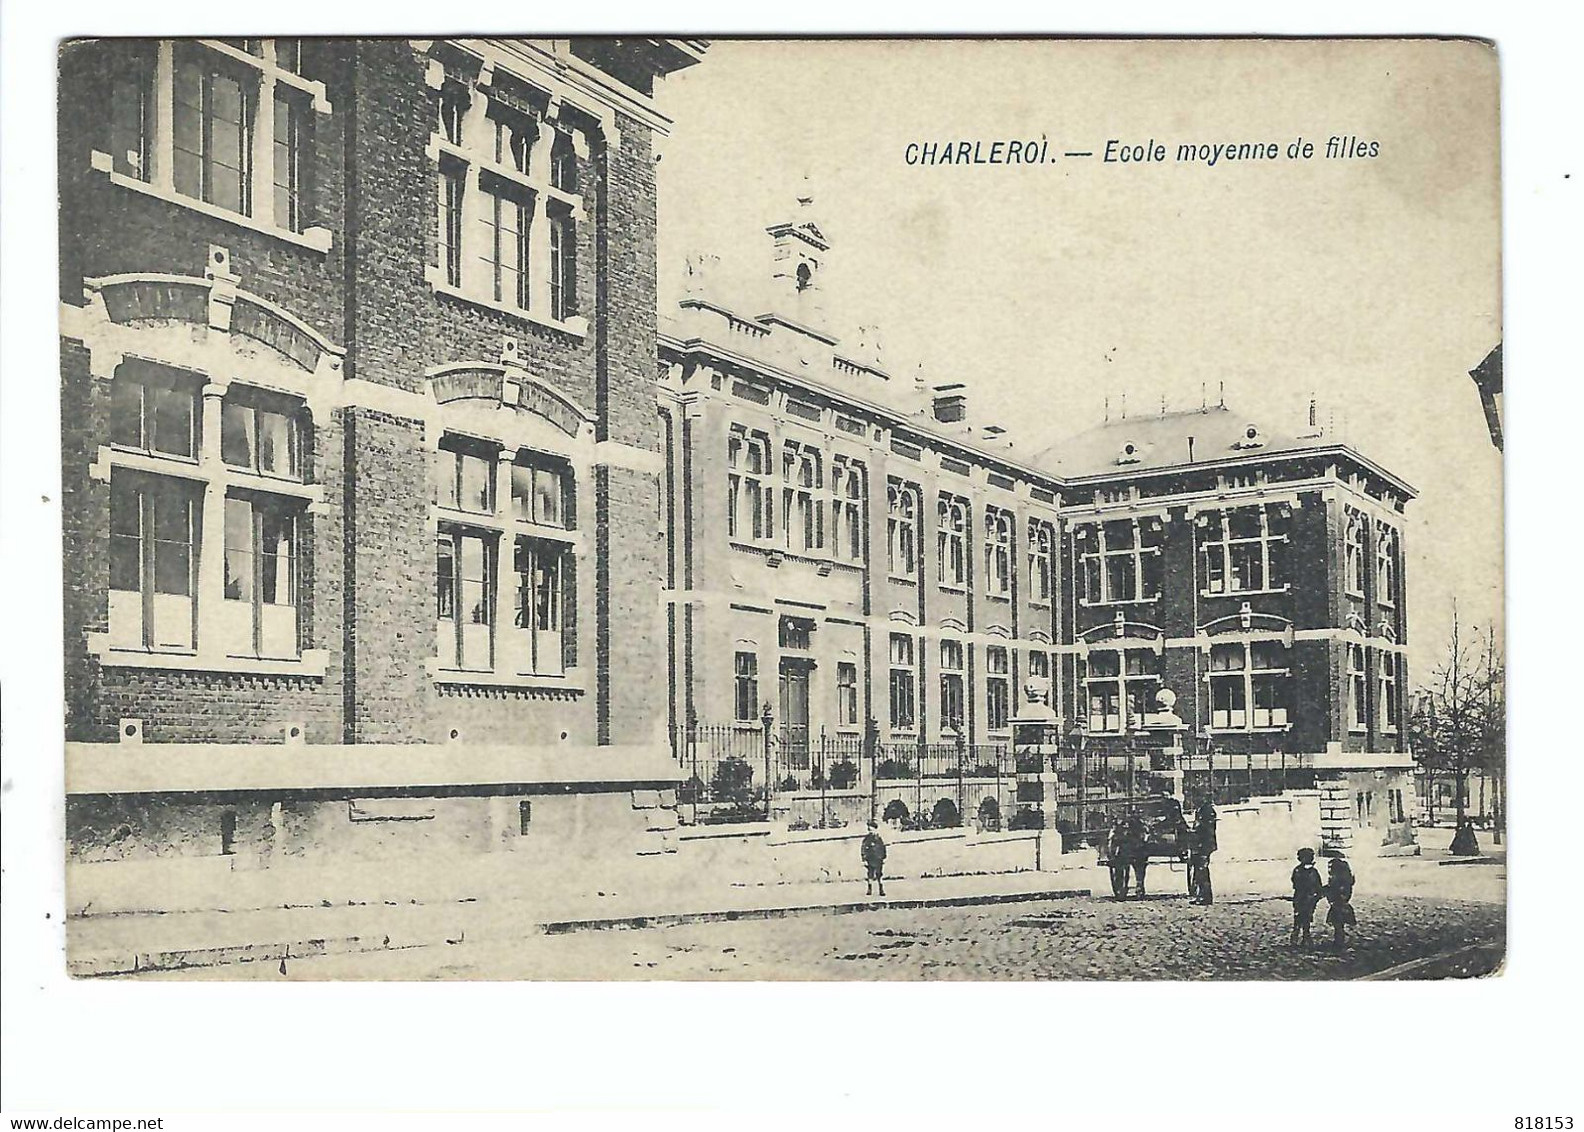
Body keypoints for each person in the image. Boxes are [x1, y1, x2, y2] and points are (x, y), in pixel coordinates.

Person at [1289, 847, 1324, 947]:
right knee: (1299, 917)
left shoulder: (1308, 871)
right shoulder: (1300, 871)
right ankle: (1296, 937)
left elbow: (1318, 885)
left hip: (1308, 898)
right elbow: (1296, 883)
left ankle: (1305, 937)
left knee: (1307, 918)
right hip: (1301, 898)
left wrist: (1317, 893)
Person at [1323, 854, 1357, 950]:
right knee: (1338, 925)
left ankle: (1339, 942)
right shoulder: (1338, 879)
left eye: (1330, 867)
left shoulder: (1341, 881)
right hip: (1337, 904)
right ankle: (1339, 941)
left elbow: (1340, 892)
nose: (1328, 870)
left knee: (1338, 925)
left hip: (1339, 905)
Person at [1189, 796, 1218, 905]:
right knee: (1199, 870)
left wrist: (1197, 827)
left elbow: (1208, 829)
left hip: (1205, 845)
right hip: (1199, 844)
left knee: (1202, 870)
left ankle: (1206, 897)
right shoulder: (1200, 810)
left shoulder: (1208, 810)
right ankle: (1200, 895)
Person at [1122, 809, 1150, 897]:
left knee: (1140, 866)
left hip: (1139, 847)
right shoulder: (1127, 825)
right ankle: (1138, 886)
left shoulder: (1142, 825)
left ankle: (1139, 886)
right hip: (1131, 846)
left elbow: (1146, 832)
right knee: (1139, 866)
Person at [1106, 815, 1131, 899]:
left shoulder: (1129, 828)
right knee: (1119, 870)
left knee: (1124, 870)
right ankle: (1120, 889)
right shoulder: (1114, 831)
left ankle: (1123, 888)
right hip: (1118, 852)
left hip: (1125, 850)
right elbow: (1110, 840)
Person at [861, 820, 887, 897]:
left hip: (878, 859)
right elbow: (863, 849)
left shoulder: (879, 838)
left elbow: (883, 848)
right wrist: (864, 859)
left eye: (872, 829)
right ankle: (869, 889)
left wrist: (884, 857)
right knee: (870, 874)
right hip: (870, 859)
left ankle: (881, 889)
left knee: (879, 874)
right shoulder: (867, 839)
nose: (871, 831)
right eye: (869, 830)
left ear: (875, 829)